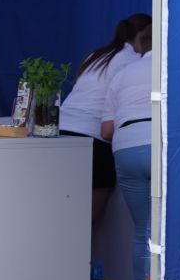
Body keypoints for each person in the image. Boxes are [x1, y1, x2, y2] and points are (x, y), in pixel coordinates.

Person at [59, 13, 152, 221]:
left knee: (65, 214)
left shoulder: (95, 55)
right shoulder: (132, 60)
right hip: (94, 140)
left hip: (62, 133)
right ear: (142, 36)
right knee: (87, 222)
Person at [101, 46, 155, 280]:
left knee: (143, 231)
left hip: (125, 146)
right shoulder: (175, 67)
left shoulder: (123, 73)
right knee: (165, 229)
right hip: (160, 143)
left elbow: (106, 131)